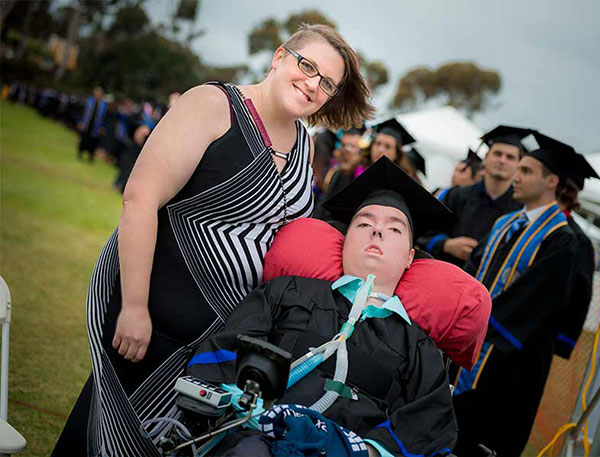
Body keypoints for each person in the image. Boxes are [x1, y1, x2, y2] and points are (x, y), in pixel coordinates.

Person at [52, 23, 374, 457]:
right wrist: (133, 307)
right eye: (307, 66)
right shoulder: (213, 105)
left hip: (218, 349)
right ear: (279, 57)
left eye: (328, 83)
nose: (314, 84)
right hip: (151, 325)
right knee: (98, 443)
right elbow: (140, 198)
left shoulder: (305, 145)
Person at [188, 157, 457, 457]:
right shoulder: (286, 292)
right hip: (254, 439)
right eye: (364, 223)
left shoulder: (418, 348)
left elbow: (429, 425)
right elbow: (227, 351)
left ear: (409, 258)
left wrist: (362, 450)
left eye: (394, 229)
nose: (377, 231)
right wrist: (255, 412)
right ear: (344, 241)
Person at [452, 132, 580, 457]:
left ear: (551, 181)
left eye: (525, 170)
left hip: (509, 364)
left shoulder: (562, 240)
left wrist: (476, 323)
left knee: (481, 441)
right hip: (472, 345)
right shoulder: (504, 223)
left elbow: (532, 303)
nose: (516, 177)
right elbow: (472, 272)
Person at [418, 125, 533, 269]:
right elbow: (423, 232)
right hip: (448, 273)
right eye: (497, 154)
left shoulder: (522, 209)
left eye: (510, 157)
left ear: (518, 164)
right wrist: (447, 244)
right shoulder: (456, 196)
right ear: (486, 158)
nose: (502, 160)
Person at [553, 153, 600, 359]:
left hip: (540, 337)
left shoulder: (578, 240)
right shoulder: (522, 221)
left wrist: (561, 342)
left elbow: (580, 298)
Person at [76, 86, 108, 162]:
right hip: (87, 124)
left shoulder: (104, 105)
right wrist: (80, 122)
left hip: (96, 126)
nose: (97, 95)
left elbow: (105, 117)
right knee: (84, 139)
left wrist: (103, 127)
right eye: (96, 93)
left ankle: (90, 156)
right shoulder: (89, 102)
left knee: (93, 142)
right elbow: (82, 112)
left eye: (99, 94)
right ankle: (80, 153)